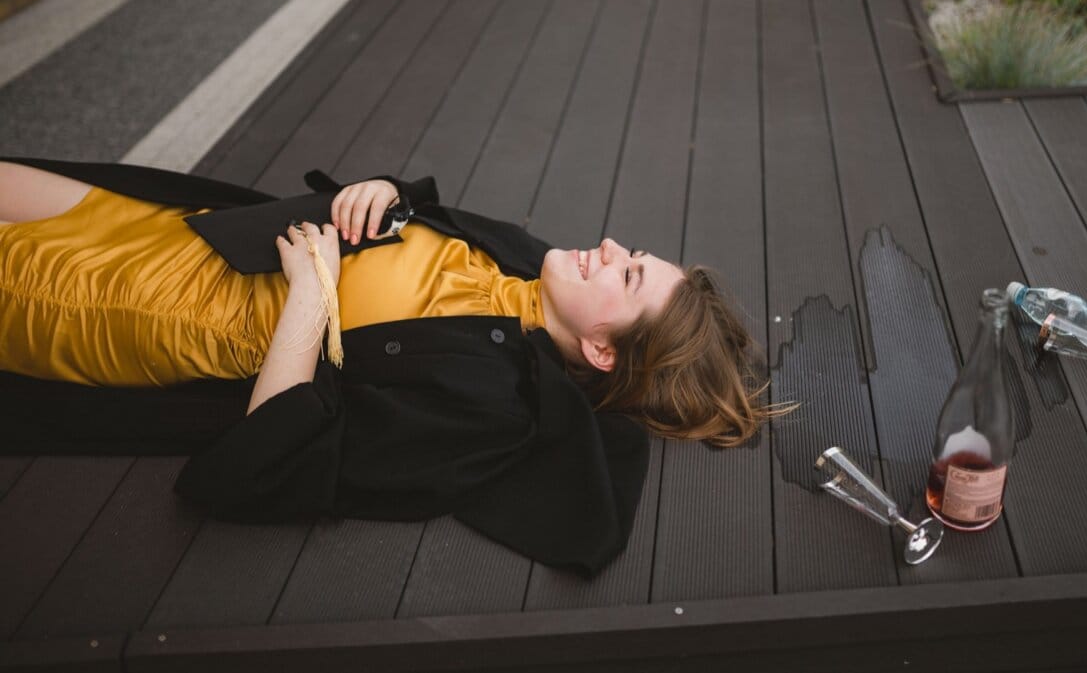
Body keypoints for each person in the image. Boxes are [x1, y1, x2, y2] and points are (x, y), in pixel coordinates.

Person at [0, 157, 794, 576]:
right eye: (636, 254)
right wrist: (382, 192)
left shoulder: (488, 406)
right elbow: (416, 219)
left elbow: (259, 467)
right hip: (177, 226)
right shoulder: (524, 262)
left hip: (129, 311)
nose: (613, 246)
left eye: (626, 275)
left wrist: (308, 306)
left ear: (600, 350)